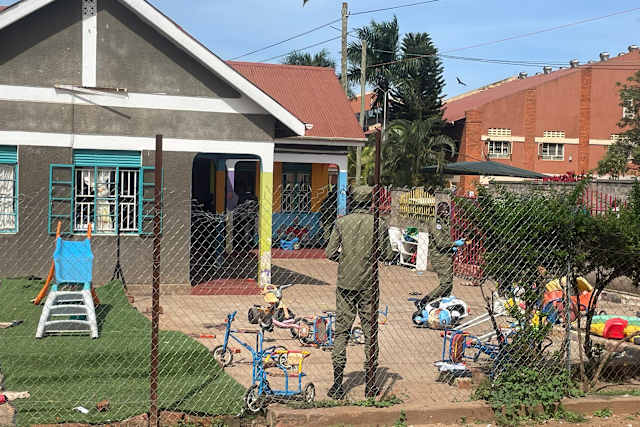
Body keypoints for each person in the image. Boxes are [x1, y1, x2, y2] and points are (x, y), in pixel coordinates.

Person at [325, 186, 394, 399]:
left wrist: (346, 260)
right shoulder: (378, 224)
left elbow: (330, 252)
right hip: (368, 284)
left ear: (353, 200)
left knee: (341, 331)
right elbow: (388, 255)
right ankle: (370, 383)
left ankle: (338, 384)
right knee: (370, 331)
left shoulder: (341, 222)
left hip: (346, 282)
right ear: (371, 201)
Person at [415, 201, 466, 310]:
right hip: (439, 257)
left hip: (446, 256)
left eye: (447, 210)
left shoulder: (444, 222)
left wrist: (452, 248)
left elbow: (445, 241)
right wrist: (455, 243)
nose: (446, 212)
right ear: (438, 211)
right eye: (443, 210)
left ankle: (444, 304)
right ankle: (424, 301)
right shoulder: (436, 223)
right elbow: (440, 243)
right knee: (445, 283)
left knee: (449, 284)